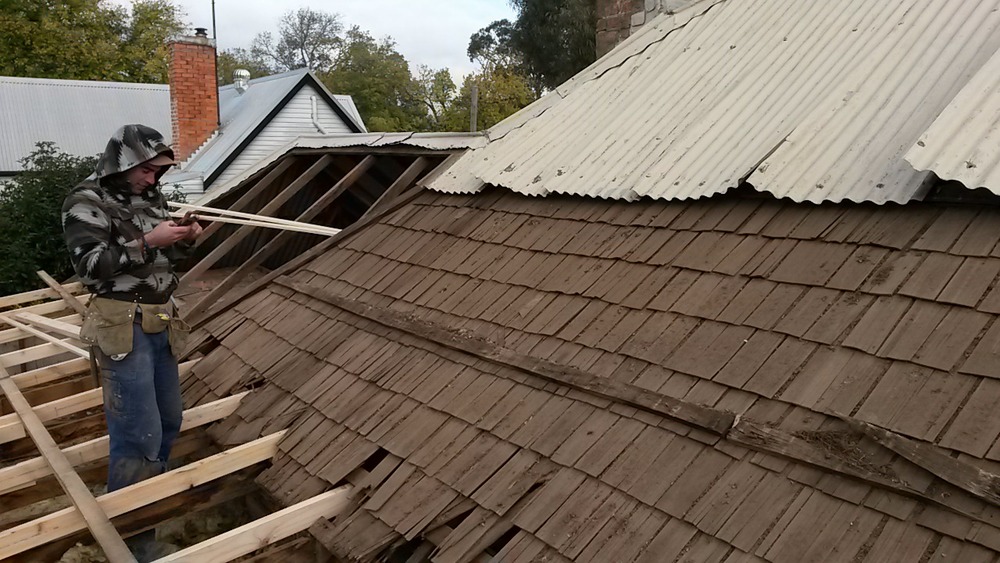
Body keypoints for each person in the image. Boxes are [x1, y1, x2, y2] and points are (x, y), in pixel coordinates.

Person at [62, 124, 202, 560]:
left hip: (161, 319)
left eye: (159, 172)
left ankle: (149, 506)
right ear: (124, 164)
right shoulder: (84, 202)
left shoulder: (151, 197)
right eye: (147, 171)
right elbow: (89, 267)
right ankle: (134, 543)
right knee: (137, 434)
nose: (153, 180)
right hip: (123, 324)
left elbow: (166, 258)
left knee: (169, 421)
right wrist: (147, 241)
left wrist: (185, 240)